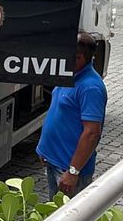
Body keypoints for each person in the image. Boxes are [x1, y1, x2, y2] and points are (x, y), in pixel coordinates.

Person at [37, 32, 107, 198]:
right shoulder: (71, 76)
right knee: (54, 216)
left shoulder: (91, 87)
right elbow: (58, 112)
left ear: (79, 58)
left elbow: (91, 133)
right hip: (55, 163)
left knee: (68, 220)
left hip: (68, 170)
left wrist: (73, 171)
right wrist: (45, 149)